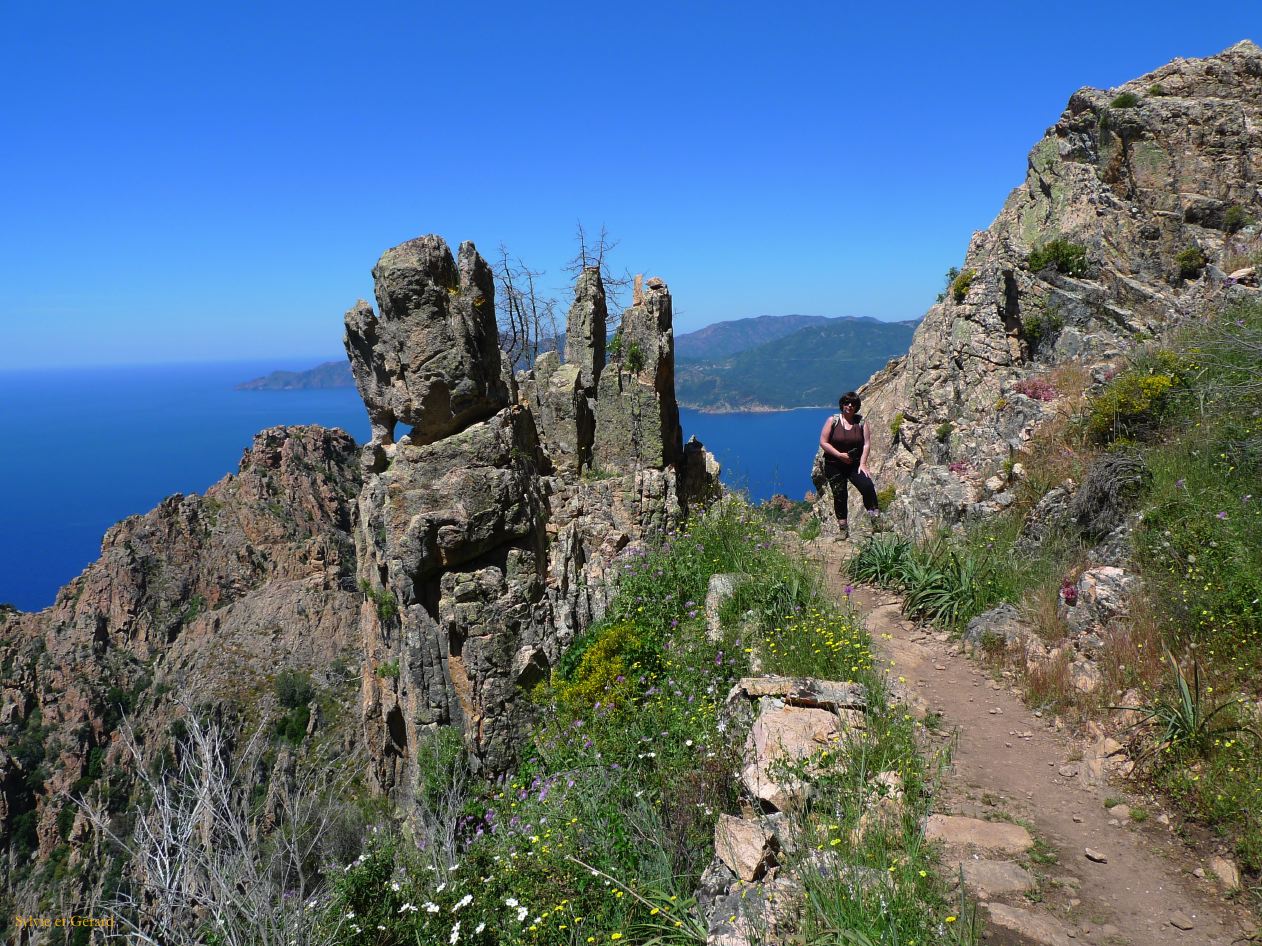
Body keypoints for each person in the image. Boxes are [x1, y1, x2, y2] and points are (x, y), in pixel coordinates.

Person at [818, 391, 879, 533]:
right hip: (834, 464)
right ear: (842, 405)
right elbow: (823, 442)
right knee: (840, 494)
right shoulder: (833, 420)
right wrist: (839, 455)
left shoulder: (861, 423)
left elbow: (866, 444)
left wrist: (863, 464)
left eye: (853, 403)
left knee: (867, 486)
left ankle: (875, 520)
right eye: (847, 403)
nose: (850, 406)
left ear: (857, 406)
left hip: (855, 464)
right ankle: (843, 529)